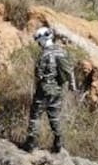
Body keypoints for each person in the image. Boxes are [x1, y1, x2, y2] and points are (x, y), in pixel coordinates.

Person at [21, 25, 76, 154]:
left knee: (35, 116)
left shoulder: (43, 55)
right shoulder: (62, 51)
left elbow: (38, 74)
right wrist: (72, 87)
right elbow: (69, 70)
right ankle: (58, 143)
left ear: (42, 40)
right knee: (55, 117)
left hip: (43, 90)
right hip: (57, 91)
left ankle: (30, 144)